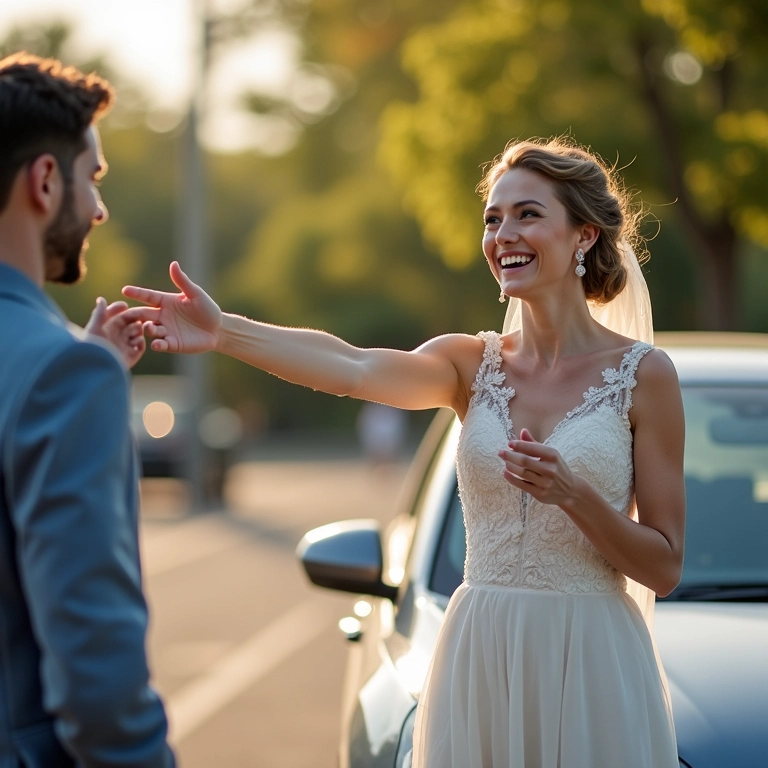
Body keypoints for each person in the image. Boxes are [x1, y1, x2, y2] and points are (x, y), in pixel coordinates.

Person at [122, 136, 685, 767]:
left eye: (528, 214)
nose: (504, 234)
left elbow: (664, 567)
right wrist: (225, 330)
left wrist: (575, 496)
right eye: (492, 219)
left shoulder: (644, 375)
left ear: (583, 234)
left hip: (591, 662)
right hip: (481, 652)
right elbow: (353, 366)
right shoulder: (470, 365)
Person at [0, 53, 175, 767]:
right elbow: (96, 677)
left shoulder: (65, 364)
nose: (99, 209)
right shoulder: (61, 374)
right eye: (92, 178)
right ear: (45, 181)